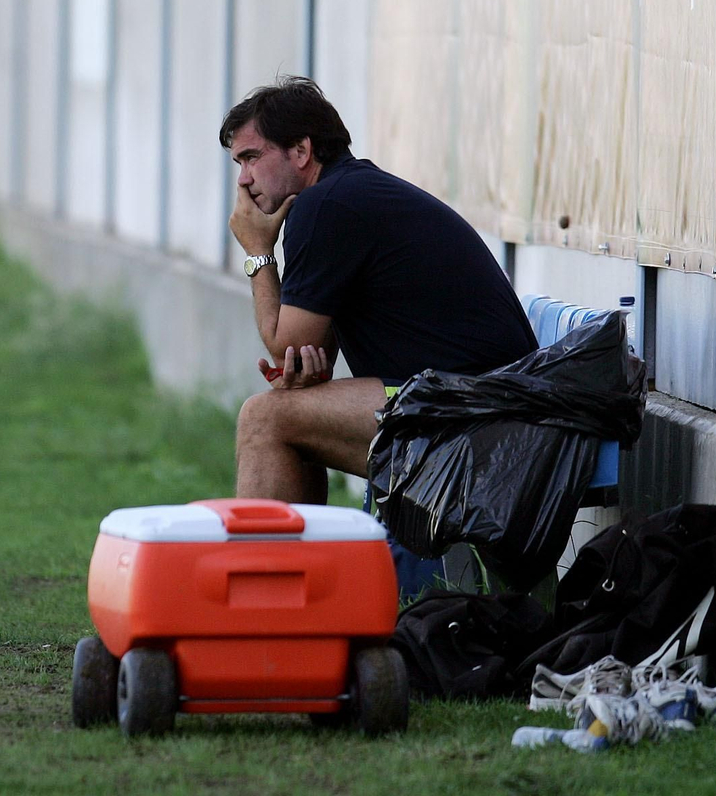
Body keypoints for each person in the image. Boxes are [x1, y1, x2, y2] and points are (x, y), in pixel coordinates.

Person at [222, 76, 536, 502]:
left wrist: (258, 250)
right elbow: (302, 358)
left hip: (476, 403)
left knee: (264, 419)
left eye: (252, 157)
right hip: (479, 394)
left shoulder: (325, 208)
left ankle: (271, 569)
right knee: (289, 413)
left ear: (301, 150)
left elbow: (284, 347)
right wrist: (302, 370)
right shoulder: (342, 196)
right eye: (238, 163)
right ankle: (298, 567)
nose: (243, 180)